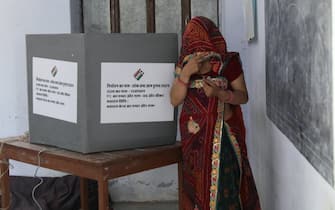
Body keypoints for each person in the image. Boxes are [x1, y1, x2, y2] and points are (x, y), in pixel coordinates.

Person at [170, 16, 261, 210]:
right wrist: (186, 74)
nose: (201, 53)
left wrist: (220, 93)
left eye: (204, 47)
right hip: (194, 144)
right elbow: (174, 100)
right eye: (195, 48)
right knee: (196, 190)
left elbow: (243, 96)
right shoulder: (184, 64)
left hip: (224, 140)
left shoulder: (228, 62)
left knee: (226, 188)